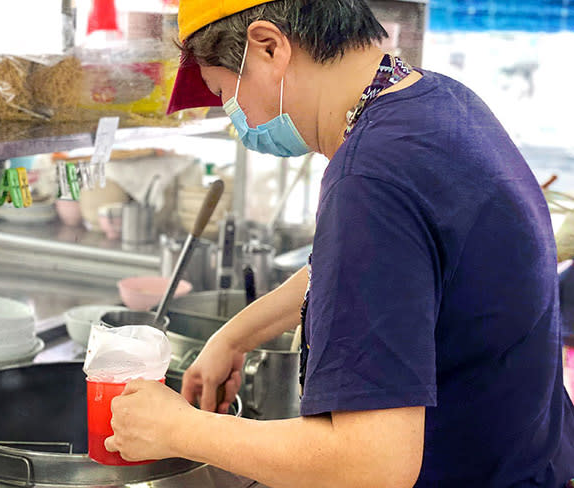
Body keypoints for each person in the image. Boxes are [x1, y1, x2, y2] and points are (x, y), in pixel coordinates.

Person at [104, 1, 574, 486]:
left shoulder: (370, 175)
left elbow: (371, 463)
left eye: (225, 91)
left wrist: (182, 429)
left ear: (269, 48)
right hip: (530, 462)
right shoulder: (439, 103)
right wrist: (235, 335)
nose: (233, 117)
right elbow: (385, 267)